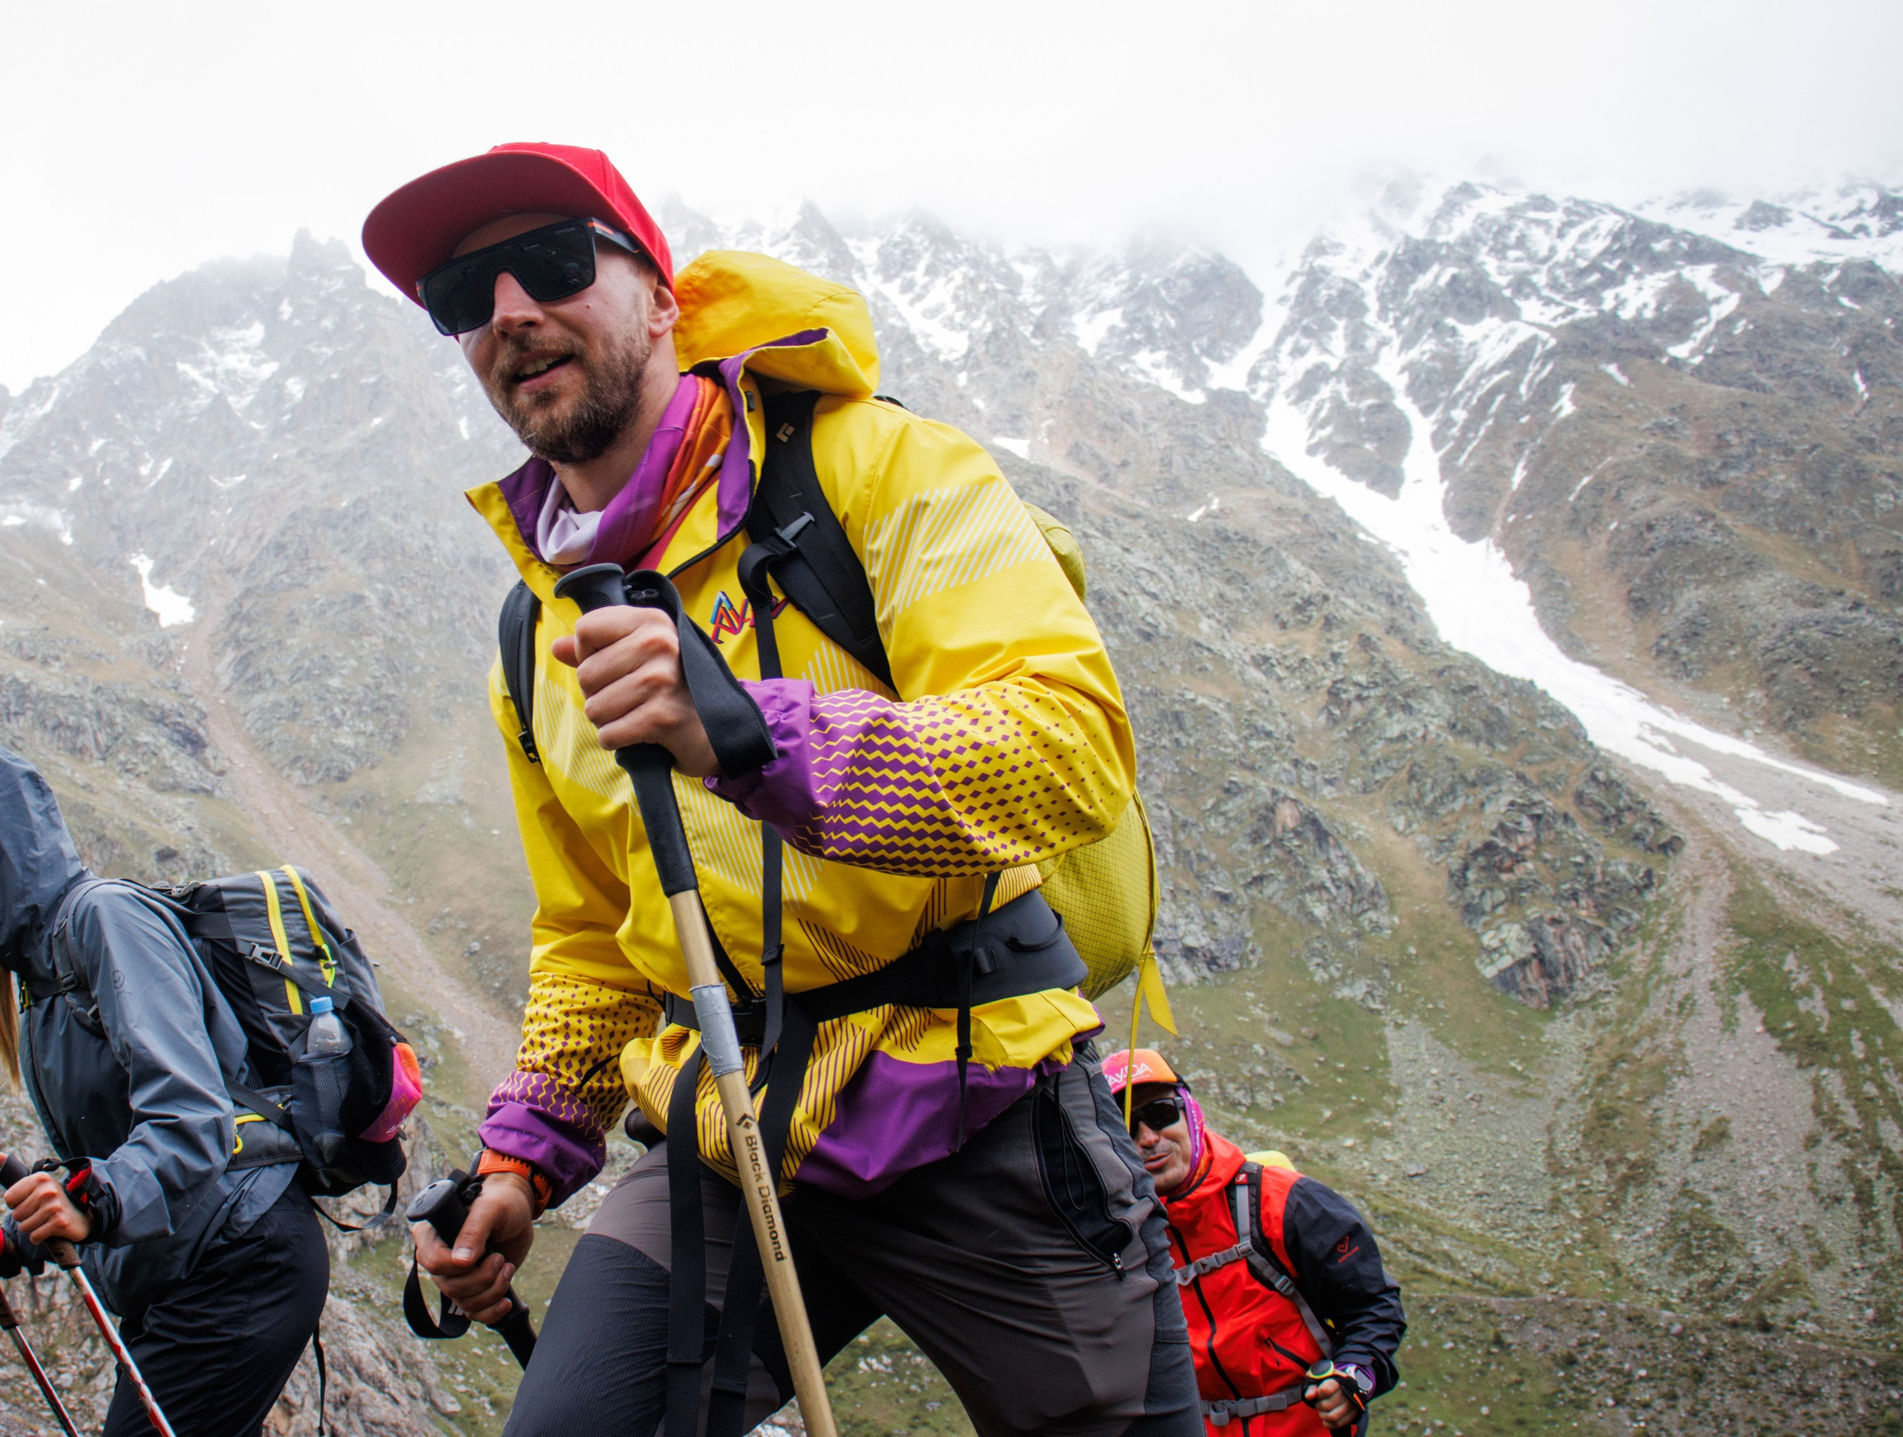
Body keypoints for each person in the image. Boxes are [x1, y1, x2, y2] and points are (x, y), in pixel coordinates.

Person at [363, 143, 1197, 1436]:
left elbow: (1067, 747)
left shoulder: (878, 468)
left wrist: (752, 735)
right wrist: (525, 1158)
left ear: (662, 295)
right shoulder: (535, 636)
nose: (509, 311)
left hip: (980, 1094)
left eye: (554, 261)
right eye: (464, 296)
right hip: (725, 1130)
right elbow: (595, 935)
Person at [0, 743, 324, 1437]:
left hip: (238, 1259)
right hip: (185, 1269)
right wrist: (13, 1241)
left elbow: (191, 1114)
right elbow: (115, 1150)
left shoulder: (102, 918)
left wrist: (93, 1199)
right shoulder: (34, 974)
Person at [1105, 1049, 1404, 1435]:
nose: (1148, 1138)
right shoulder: (1115, 1239)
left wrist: (1354, 1374)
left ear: (1191, 1113)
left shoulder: (1285, 1202)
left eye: (1162, 1113)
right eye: (1126, 1125)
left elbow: (1373, 1305)